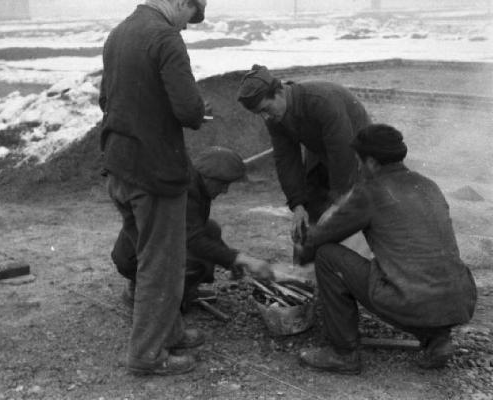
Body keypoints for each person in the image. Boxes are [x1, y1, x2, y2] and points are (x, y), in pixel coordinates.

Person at [292, 124, 477, 374]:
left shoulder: (371, 192)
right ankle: (438, 340)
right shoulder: (428, 185)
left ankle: (343, 353)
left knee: (327, 257)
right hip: (460, 300)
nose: (358, 167)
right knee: (419, 270)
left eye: (359, 161)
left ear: (370, 162)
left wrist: (299, 256)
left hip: (410, 301)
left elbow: (323, 236)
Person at [99, 0, 209, 376]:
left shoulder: (118, 33)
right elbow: (189, 110)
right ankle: (147, 355)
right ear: (181, 3)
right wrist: (198, 109)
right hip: (154, 171)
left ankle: (170, 331)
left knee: (149, 254)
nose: (187, 27)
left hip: (118, 166)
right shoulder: (166, 37)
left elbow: (105, 99)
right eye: (189, 17)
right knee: (161, 265)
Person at [112, 146, 273, 311]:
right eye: (223, 184)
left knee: (211, 229)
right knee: (197, 263)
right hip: (134, 259)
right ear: (209, 177)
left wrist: (229, 261)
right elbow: (194, 241)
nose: (225, 190)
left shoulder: (197, 184)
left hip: (148, 248)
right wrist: (240, 258)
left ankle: (179, 290)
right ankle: (145, 295)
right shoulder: (185, 192)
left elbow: (198, 229)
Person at [236, 64, 372, 241]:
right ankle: (310, 263)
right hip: (322, 154)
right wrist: (298, 205)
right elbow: (286, 160)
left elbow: (343, 153)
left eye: (265, 109)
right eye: (259, 113)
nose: (265, 117)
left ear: (279, 92)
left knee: (354, 216)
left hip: (360, 154)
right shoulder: (275, 117)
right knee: (311, 211)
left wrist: (338, 202)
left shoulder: (321, 101)